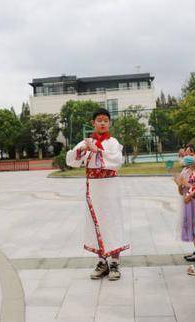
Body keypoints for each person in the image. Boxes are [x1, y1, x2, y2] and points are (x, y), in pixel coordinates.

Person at [66, 108, 127, 281]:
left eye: (105, 120)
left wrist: (97, 150)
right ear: (93, 123)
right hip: (93, 189)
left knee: (112, 221)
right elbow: (72, 160)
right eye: (99, 120)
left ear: (109, 123)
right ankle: (101, 261)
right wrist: (84, 149)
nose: (102, 123)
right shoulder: (87, 141)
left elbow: (116, 161)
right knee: (96, 223)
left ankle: (115, 262)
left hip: (110, 187)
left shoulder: (113, 142)